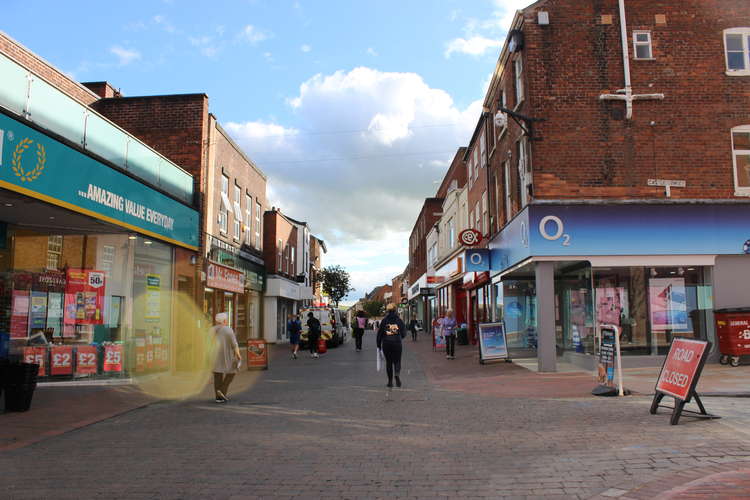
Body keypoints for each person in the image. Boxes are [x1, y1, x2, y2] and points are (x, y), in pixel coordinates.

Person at [212, 312, 241, 403]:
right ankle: (222, 390)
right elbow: (234, 345)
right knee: (232, 371)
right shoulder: (228, 330)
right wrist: (238, 355)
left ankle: (218, 397)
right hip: (226, 356)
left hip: (213, 356)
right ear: (224, 321)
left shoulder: (211, 330)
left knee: (217, 376)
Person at [376, 303, 406, 388]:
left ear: (388, 311)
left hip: (387, 343)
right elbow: (404, 333)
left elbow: (380, 334)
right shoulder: (399, 320)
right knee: (397, 361)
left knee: (389, 362)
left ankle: (390, 381)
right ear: (395, 310)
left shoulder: (384, 320)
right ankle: (396, 374)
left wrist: (378, 345)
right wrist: (399, 336)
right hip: (397, 343)